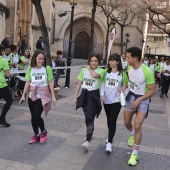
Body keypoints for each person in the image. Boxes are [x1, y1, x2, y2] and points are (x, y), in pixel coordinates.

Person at [122, 47, 155, 166]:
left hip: (143, 99)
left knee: (137, 126)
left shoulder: (147, 71)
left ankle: (135, 154)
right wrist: (125, 87)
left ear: (135, 58)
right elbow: (130, 81)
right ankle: (131, 134)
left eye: (128, 57)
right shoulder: (130, 68)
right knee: (126, 123)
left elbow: (152, 91)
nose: (126, 58)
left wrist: (139, 99)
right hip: (131, 97)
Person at [19, 50, 56, 144]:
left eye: (43, 59)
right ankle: (36, 134)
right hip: (32, 94)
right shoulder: (30, 69)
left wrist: (53, 96)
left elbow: (50, 82)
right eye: (39, 59)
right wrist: (23, 95)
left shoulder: (47, 68)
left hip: (43, 95)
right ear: (35, 58)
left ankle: (43, 131)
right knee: (33, 117)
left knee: (36, 115)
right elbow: (27, 82)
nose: (41, 61)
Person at [73, 54, 105, 152]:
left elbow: (95, 76)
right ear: (89, 61)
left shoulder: (101, 71)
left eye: (95, 61)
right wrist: (75, 97)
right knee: (87, 116)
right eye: (91, 61)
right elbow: (79, 83)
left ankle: (87, 141)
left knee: (90, 117)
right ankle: (89, 134)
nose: (93, 63)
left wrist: (89, 69)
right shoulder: (83, 71)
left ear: (98, 62)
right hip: (84, 95)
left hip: (94, 96)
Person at [100, 53, 128, 153]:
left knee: (112, 120)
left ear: (117, 62)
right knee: (109, 119)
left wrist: (123, 89)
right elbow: (102, 84)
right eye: (110, 60)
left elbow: (126, 84)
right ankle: (110, 136)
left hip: (117, 100)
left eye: (112, 60)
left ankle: (109, 142)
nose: (110, 62)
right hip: (106, 100)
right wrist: (102, 95)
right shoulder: (105, 72)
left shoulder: (123, 74)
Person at [0, 44, 15, 127]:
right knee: (9, 100)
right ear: (1, 50)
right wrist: (12, 76)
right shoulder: (3, 60)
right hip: (1, 84)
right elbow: (8, 74)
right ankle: (2, 118)